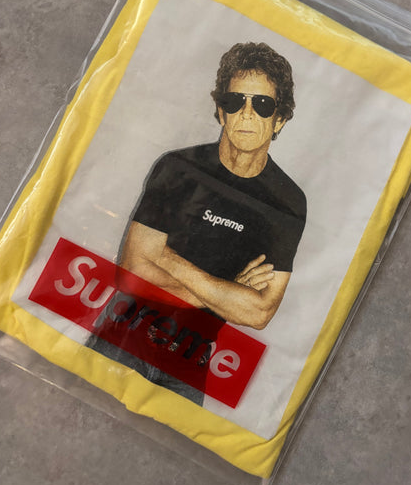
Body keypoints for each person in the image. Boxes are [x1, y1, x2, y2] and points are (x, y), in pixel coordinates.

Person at [120, 41, 307, 331]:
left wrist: (164, 258)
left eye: (262, 105)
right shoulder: (178, 168)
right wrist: (231, 289)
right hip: (120, 331)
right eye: (235, 101)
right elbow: (131, 276)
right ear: (221, 112)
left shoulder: (288, 202)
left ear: (279, 120)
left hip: (194, 352)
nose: (247, 113)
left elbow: (259, 313)